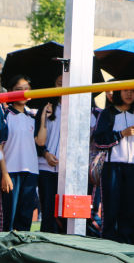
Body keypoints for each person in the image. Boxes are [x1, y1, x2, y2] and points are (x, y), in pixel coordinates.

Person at [93, 88, 134, 244]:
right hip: (112, 167)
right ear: (119, 92)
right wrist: (121, 134)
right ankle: (108, 247)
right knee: (110, 210)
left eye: (133, 91)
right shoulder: (108, 113)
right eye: (125, 90)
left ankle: (127, 246)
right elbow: (99, 141)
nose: (129, 94)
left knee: (131, 211)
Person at [1, 75, 38, 232]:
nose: (23, 92)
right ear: (10, 92)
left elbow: (41, 142)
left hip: (31, 172)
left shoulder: (34, 116)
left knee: (25, 218)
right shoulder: (5, 115)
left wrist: (43, 116)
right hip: (11, 171)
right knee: (9, 218)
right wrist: (5, 174)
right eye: (18, 89)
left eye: (26, 89)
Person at [34, 74, 64, 234]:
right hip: (46, 168)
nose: (63, 86)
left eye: (67, 82)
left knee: (66, 215)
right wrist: (46, 154)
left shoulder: (82, 109)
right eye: (59, 83)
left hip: (68, 172)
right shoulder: (46, 108)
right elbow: (37, 141)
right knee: (48, 212)